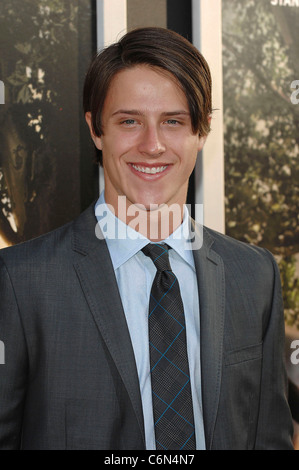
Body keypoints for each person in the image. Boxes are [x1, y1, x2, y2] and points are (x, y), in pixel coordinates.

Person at [0, 27, 294, 450]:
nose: (152, 145)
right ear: (96, 130)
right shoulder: (20, 281)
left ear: (202, 131)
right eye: (129, 121)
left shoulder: (254, 275)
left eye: (173, 121)